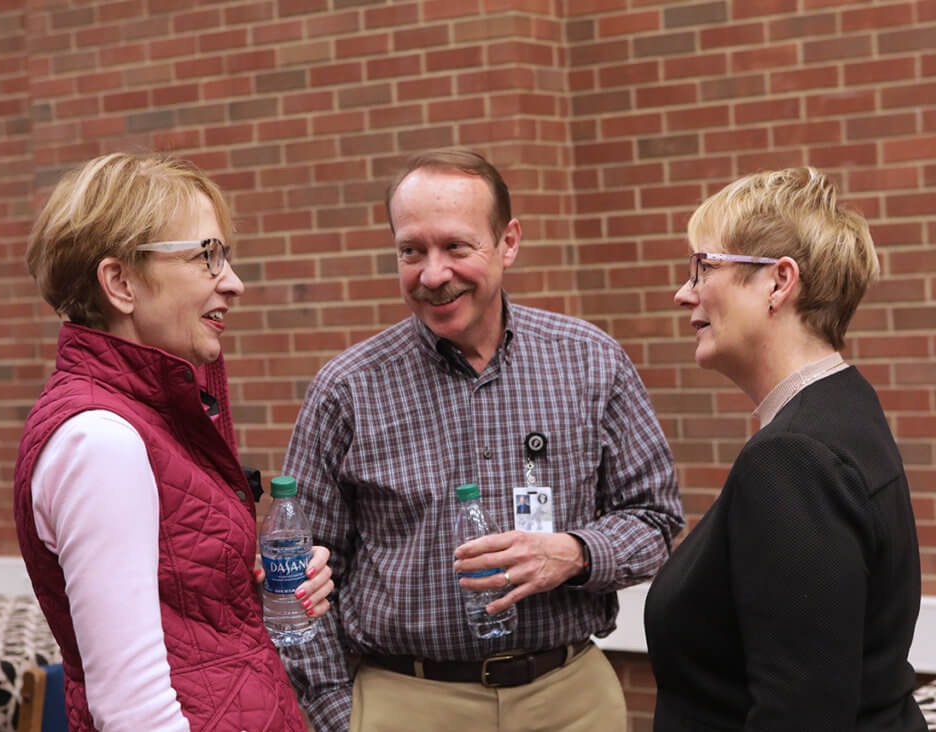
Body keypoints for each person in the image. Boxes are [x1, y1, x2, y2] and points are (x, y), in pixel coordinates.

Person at [282, 147, 683, 731]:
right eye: (411, 251)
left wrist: (573, 553)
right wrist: (339, 717)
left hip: (569, 698)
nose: (433, 274)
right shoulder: (347, 389)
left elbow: (656, 519)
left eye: (456, 247)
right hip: (408, 702)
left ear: (508, 243)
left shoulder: (590, 362)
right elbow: (300, 577)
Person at [12, 152, 334, 731]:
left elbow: (180, 628)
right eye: (207, 256)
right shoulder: (101, 440)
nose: (232, 283)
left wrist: (248, 595)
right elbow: (132, 711)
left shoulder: (149, 418)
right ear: (120, 283)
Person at [645, 167, 926, 731]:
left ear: (778, 282)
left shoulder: (793, 456)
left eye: (704, 267)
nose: (684, 293)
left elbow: (800, 713)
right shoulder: (847, 405)